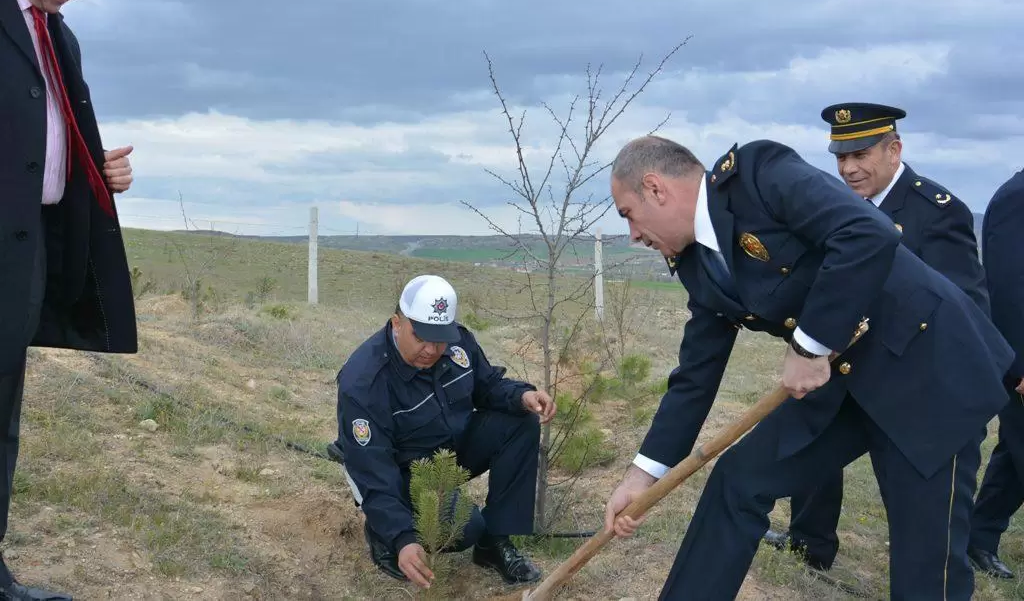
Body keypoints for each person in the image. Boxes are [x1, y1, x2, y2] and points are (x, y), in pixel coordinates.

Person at [601, 134, 1013, 600]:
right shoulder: (697, 262)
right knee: (739, 482)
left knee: (925, 564)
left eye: (628, 214)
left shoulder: (759, 174)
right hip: (843, 385)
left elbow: (865, 233)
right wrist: (641, 477)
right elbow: (696, 375)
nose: (633, 234)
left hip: (930, 372)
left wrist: (809, 347)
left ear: (655, 188)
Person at [761, 103, 990, 572]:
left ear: (894, 149)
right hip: (844, 366)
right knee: (804, 444)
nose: (848, 169)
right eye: (840, 158)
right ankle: (810, 542)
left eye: (860, 155)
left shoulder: (935, 211)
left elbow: (963, 306)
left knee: (922, 516)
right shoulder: (835, 209)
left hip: (911, 377)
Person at [1, 0, 137, 599]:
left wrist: (92, 168)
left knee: (1, 421)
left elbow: (42, 140)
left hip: (24, 262)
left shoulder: (57, 36)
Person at [333, 275, 555, 590]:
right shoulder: (364, 382)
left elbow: (487, 385)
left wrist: (521, 396)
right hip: (405, 471)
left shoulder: (458, 343)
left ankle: (494, 542)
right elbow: (372, 469)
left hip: (451, 447)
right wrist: (402, 536)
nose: (431, 349)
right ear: (397, 323)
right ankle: (384, 535)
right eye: (421, 337)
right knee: (464, 527)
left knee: (521, 421)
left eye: (439, 338)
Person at [965, 168, 1024, 579]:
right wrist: (1019, 366)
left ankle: (980, 537)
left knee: (1014, 450)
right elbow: (1007, 287)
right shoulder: (1017, 197)